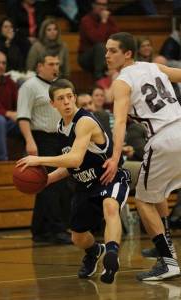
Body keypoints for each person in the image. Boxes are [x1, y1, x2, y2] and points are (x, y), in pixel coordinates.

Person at [16, 78, 131, 284]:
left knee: (110, 206)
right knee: (78, 237)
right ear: (53, 104)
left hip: (108, 177)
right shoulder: (61, 126)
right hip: (84, 186)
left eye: (70, 96)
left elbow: (76, 157)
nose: (67, 102)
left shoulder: (84, 121)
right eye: (61, 98)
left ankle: (112, 256)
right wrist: (47, 179)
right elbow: (71, 166)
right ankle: (95, 251)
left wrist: (39, 159)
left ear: (75, 98)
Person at [103, 32, 181, 280]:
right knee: (156, 193)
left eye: (113, 50)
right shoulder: (153, 66)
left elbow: (120, 122)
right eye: (106, 50)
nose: (107, 55)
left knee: (143, 200)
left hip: (164, 138)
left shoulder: (122, 81)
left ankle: (168, 262)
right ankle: (165, 246)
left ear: (127, 53)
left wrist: (115, 157)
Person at [17, 53, 71, 245]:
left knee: (53, 185)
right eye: (50, 64)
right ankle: (58, 229)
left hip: (60, 138)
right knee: (49, 185)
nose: (55, 67)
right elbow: (23, 116)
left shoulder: (61, 86)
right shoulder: (29, 86)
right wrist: (29, 141)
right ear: (40, 66)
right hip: (41, 138)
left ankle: (40, 231)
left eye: (57, 63)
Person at [78, 0, 119, 80]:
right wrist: (103, 21)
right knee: (100, 47)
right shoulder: (86, 20)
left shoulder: (110, 20)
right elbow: (97, 39)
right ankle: (99, 78)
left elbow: (117, 37)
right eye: (99, 4)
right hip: (86, 57)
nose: (102, 7)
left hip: (106, 53)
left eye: (104, 5)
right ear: (93, 5)